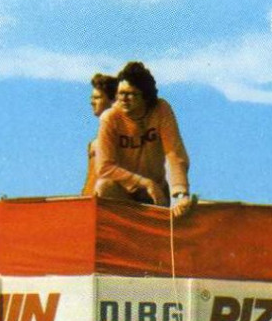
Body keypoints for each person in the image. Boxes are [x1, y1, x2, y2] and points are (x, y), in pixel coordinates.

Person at [82, 62, 194, 217]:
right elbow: (104, 167)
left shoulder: (161, 110)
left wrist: (181, 194)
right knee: (104, 186)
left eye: (130, 94)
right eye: (120, 94)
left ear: (145, 96)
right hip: (124, 191)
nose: (123, 99)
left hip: (156, 193)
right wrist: (144, 183)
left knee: (182, 209)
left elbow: (174, 153)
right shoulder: (110, 118)